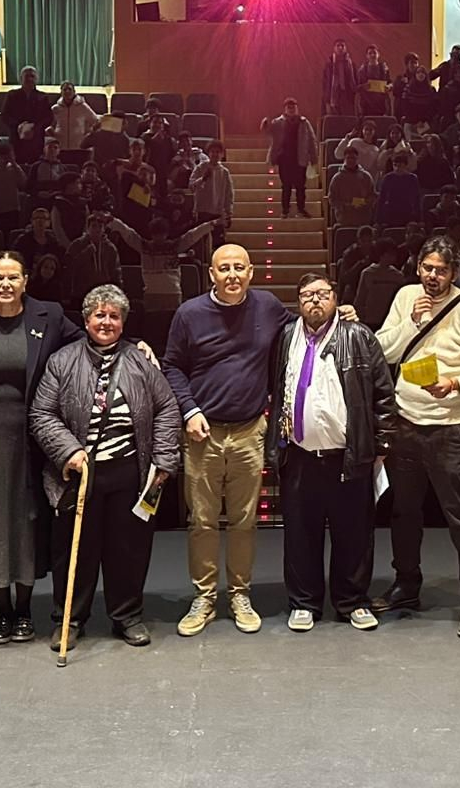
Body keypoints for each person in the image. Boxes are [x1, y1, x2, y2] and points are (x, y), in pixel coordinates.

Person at [29, 284, 182, 648]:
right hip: (78, 473)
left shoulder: (140, 361)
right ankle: (69, 618)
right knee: (73, 551)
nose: (107, 321)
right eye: (100, 314)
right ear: (86, 319)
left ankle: (127, 616)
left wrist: (163, 459)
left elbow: (167, 409)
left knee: (127, 549)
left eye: (114, 316)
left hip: (129, 471)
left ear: (123, 322)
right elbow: (41, 413)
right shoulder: (62, 361)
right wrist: (68, 451)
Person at [373, 237, 460, 637]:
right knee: (403, 513)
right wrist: (411, 321)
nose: (433, 276)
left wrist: (457, 383)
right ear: (418, 268)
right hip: (406, 422)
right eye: (428, 268)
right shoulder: (405, 296)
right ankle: (406, 585)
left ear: (454, 273)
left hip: (451, 428)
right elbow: (384, 352)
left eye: (441, 270)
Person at [164, 244, 292, 637]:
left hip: (250, 432)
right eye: (225, 268)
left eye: (239, 267)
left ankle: (240, 593)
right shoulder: (189, 313)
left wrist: (343, 315)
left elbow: (303, 330)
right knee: (201, 521)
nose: (233, 274)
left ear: (251, 272)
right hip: (202, 433)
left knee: (244, 521)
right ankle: (204, 596)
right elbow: (172, 365)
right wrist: (189, 410)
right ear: (211, 274)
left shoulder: (268, 306)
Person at [0, 253, 81, 644]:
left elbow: (87, 341)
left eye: (13, 277)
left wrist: (135, 346)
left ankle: (25, 608)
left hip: (33, 436)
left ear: (26, 280)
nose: (5, 284)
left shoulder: (50, 315)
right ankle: (2, 612)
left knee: (27, 518)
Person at [266, 272, 394, 633]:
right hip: (299, 455)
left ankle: (352, 601)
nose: (315, 301)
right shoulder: (287, 336)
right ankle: (304, 602)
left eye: (322, 294)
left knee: (353, 532)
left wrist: (380, 446)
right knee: (300, 534)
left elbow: (383, 395)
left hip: (347, 455)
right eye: (307, 295)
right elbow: (276, 387)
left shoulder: (359, 336)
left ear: (336, 298)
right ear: (298, 302)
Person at [106, 215, 217, 313]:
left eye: (161, 234)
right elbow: (128, 233)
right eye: (156, 234)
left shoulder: (174, 246)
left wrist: (211, 224)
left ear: (166, 234)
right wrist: (113, 221)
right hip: (152, 294)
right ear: (152, 234)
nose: (159, 238)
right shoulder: (145, 247)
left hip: (172, 294)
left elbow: (192, 236)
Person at [265, 97, 318, 220]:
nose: (291, 109)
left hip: (300, 159)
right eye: (289, 107)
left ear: (297, 108)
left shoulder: (304, 122)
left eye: (293, 107)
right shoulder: (278, 122)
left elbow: (311, 140)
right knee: (286, 186)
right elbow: (269, 131)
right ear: (285, 109)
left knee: (300, 186)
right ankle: (285, 210)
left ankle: (301, 209)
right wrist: (265, 124)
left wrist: (314, 158)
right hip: (284, 159)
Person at [64, 213, 122, 310]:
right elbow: (69, 267)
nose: (97, 229)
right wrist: (86, 253)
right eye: (94, 226)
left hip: (103, 293)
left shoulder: (110, 248)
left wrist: (118, 291)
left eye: (100, 226)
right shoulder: (77, 245)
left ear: (104, 229)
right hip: (81, 292)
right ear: (88, 228)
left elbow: (115, 271)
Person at [2, 67, 53, 164]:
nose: (29, 79)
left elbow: (48, 117)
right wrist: (19, 127)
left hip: (36, 140)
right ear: (21, 79)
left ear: (37, 79)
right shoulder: (12, 95)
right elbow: (5, 116)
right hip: (16, 140)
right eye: (26, 76)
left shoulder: (43, 97)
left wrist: (34, 128)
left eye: (32, 76)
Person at [188, 141, 234, 245]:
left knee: (218, 243)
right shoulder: (201, 167)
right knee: (201, 243)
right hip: (202, 210)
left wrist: (229, 213)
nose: (215, 154)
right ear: (208, 153)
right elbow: (191, 186)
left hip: (218, 212)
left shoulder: (224, 172)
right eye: (212, 152)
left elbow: (229, 194)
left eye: (218, 152)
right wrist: (203, 179)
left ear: (222, 154)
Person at [328, 146, 376, 227]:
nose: (351, 160)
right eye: (348, 158)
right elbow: (332, 199)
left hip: (363, 218)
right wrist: (345, 206)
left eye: (353, 158)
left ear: (357, 159)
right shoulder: (337, 178)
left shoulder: (366, 177)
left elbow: (372, 196)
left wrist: (361, 203)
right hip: (344, 219)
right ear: (344, 159)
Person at [51, 83, 100, 151]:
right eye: (65, 89)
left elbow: (96, 122)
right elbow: (49, 124)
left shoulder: (83, 107)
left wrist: (89, 134)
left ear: (74, 92)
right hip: (60, 147)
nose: (67, 91)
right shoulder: (55, 109)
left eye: (69, 89)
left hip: (79, 147)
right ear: (61, 92)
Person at [322, 38, 358, 116]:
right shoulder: (329, 64)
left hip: (347, 95)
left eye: (342, 45)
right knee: (334, 120)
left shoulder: (351, 64)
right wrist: (327, 99)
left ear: (346, 48)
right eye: (338, 45)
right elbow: (325, 83)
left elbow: (355, 81)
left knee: (348, 118)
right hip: (333, 95)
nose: (340, 48)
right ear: (334, 48)